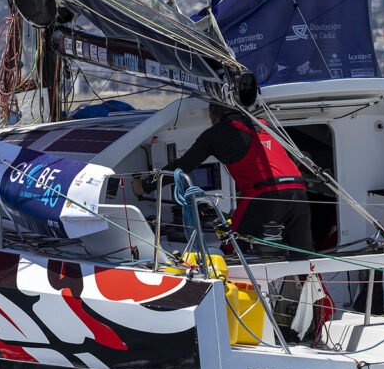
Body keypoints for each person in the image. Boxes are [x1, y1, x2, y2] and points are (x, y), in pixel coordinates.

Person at [133, 101, 313, 255]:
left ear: (213, 114)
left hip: (264, 196)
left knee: (231, 247)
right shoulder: (264, 126)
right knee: (305, 255)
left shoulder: (217, 133)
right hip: (299, 192)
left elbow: (184, 166)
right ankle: (319, 294)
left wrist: (146, 186)